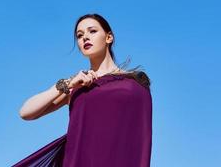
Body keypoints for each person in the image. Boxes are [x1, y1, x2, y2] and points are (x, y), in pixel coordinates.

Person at [12, 13, 153, 167]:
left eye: (92, 31)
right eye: (79, 35)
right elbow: (26, 112)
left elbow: (141, 135)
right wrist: (68, 85)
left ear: (109, 37)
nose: (85, 37)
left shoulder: (133, 82)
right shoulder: (75, 84)